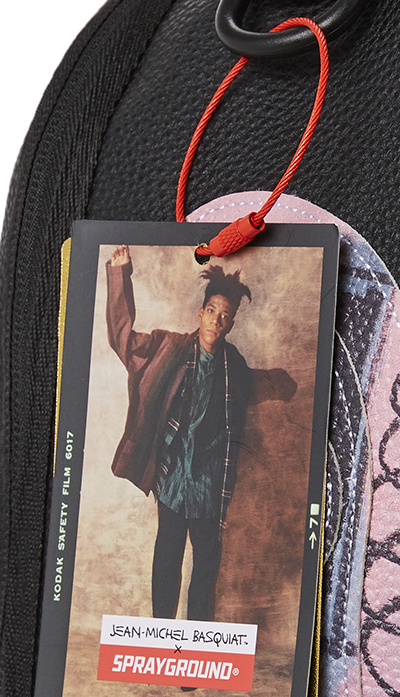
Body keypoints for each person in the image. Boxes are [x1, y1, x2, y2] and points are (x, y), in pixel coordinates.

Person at [106, 245, 297, 622]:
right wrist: (119, 275)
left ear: (231, 324)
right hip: (173, 481)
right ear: (201, 312)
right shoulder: (168, 348)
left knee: (206, 569)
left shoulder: (233, 366)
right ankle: (162, 637)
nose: (216, 322)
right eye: (212, 312)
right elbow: (123, 340)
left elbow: (253, 385)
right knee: (167, 561)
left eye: (225, 317)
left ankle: (196, 643)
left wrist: (286, 383)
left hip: (210, 485)